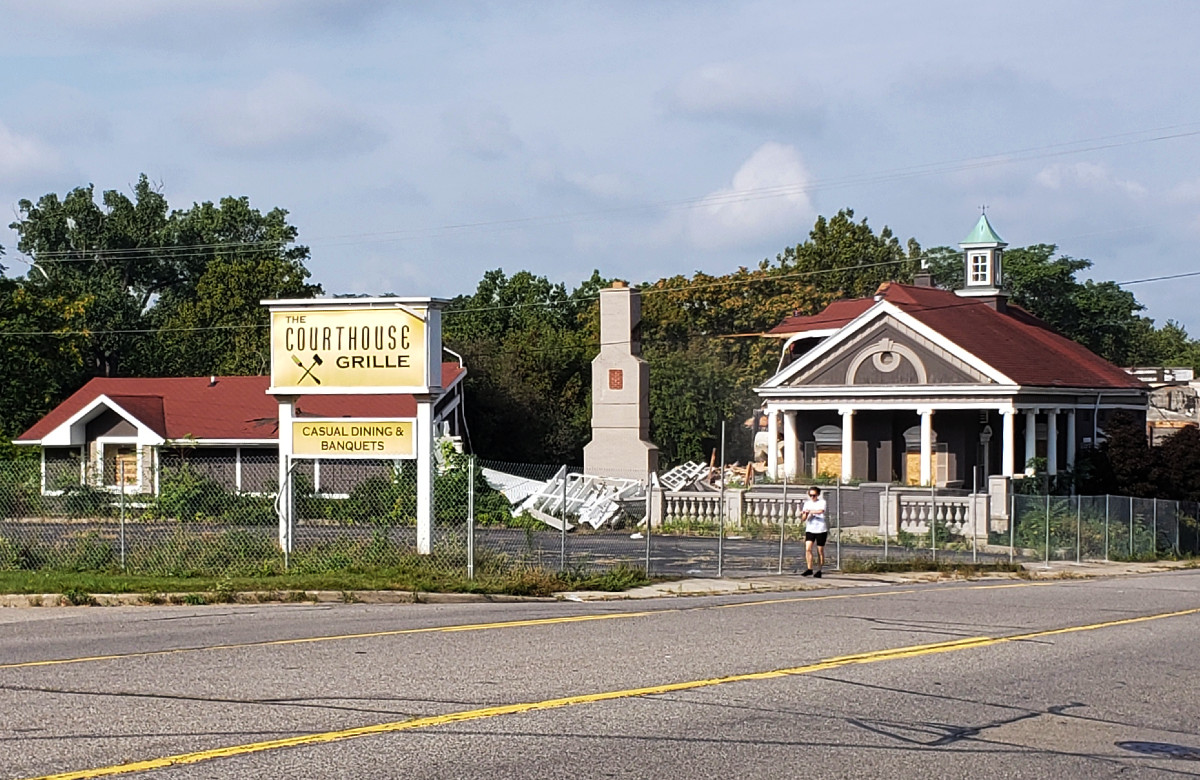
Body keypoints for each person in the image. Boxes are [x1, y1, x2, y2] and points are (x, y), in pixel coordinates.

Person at [799, 486, 828, 578]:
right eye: (810, 495)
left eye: (814, 495)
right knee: (808, 548)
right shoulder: (807, 504)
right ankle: (809, 568)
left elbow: (821, 511)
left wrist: (810, 511)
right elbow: (803, 518)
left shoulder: (822, 502)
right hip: (810, 529)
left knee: (820, 550)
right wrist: (805, 514)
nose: (812, 497)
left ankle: (819, 570)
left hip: (820, 529)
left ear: (818, 495)